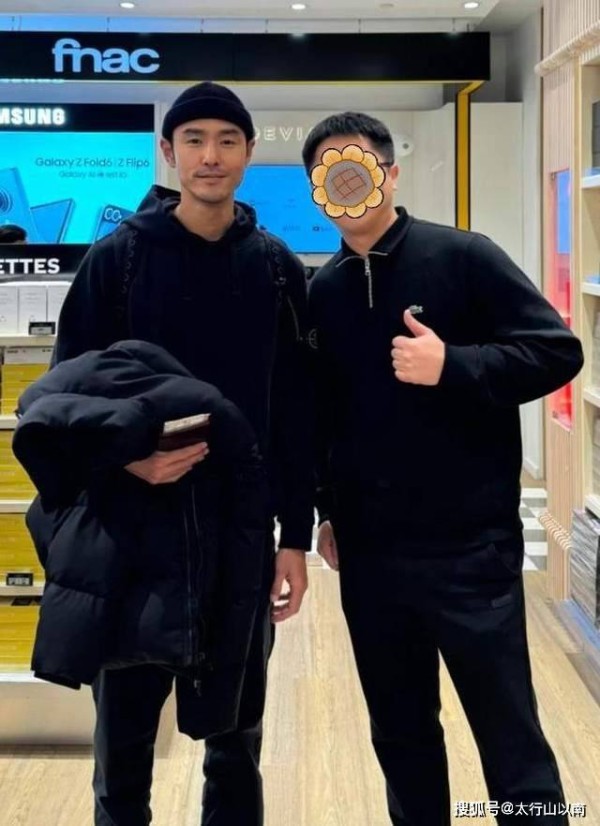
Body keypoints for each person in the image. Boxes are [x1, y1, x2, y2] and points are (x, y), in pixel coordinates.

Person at [303, 111, 583, 826]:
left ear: (391, 174)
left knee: (511, 742)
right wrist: (327, 509)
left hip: (470, 553)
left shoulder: (463, 256)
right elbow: (324, 414)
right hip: (370, 558)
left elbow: (556, 351)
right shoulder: (323, 290)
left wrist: (453, 364)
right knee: (401, 738)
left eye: (360, 166)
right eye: (330, 174)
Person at [52, 81, 314, 826]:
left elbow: (297, 414)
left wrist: (294, 537)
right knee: (124, 744)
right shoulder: (119, 260)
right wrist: (126, 457)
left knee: (235, 741)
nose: (210, 156)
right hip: (133, 530)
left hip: (238, 531)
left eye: (227, 141)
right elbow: (65, 393)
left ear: (249, 153)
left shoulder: (276, 268)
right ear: (167, 152)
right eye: (194, 140)